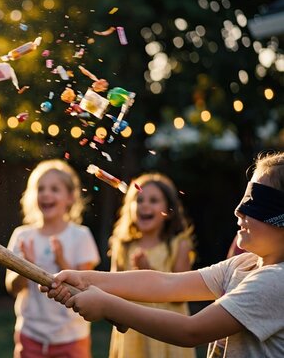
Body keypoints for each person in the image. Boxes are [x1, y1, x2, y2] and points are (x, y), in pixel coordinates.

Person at [41, 151, 284, 358]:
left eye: (256, 203)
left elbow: (191, 331)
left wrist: (107, 305)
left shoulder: (275, 281)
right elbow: (166, 282)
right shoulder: (244, 265)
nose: (239, 211)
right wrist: (86, 278)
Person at [5, 159, 100, 358]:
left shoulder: (80, 236)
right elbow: (12, 288)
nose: (46, 194)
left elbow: (85, 290)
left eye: (54, 189)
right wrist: (27, 267)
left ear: (70, 198)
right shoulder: (22, 236)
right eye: (41, 189)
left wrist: (61, 261)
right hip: (31, 333)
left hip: (71, 336)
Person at [107, 173, 196, 358]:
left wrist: (149, 272)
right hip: (132, 331)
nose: (145, 205)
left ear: (169, 211)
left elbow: (181, 295)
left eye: (154, 200)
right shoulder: (122, 245)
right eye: (139, 200)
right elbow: (111, 288)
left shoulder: (178, 246)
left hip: (166, 331)